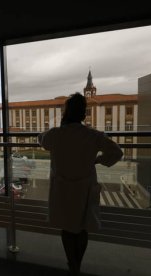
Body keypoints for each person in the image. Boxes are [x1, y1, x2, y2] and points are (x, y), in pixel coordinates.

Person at [38, 93, 123, 276]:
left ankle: (72, 265)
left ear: (66, 112)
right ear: (83, 113)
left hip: (62, 189)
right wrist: (99, 160)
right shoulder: (93, 135)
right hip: (84, 189)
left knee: (67, 229)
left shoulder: (55, 135)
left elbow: (41, 139)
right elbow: (117, 152)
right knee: (82, 228)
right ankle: (78, 265)